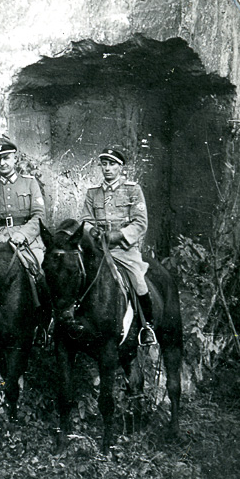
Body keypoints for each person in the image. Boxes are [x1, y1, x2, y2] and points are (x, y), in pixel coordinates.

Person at [81, 146, 156, 345]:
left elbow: (140, 223)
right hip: (98, 248)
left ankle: (146, 327)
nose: (107, 168)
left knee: (138, 280)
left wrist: (119, 235)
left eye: (112, 164)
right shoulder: (93, 193)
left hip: (123, 249)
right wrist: (93, 232)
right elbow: (86, 221)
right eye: (104, 164)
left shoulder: (132, 190)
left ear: (121, 167)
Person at [0, 136, 46, 307]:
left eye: (6, 158)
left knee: (34, 274)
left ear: (15, 158)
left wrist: (22, 234)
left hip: (28, 244)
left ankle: (42, 318)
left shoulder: (29, 183)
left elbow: (39, 215)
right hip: (0, 244)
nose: (2, 163)